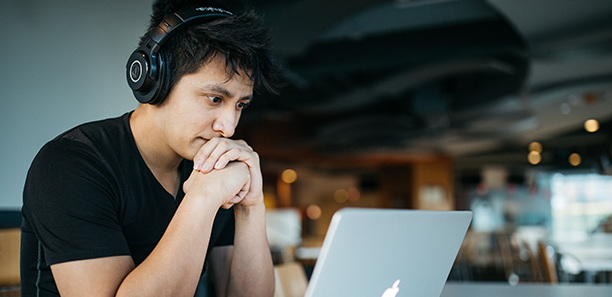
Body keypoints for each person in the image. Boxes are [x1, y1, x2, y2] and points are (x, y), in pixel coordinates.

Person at [20, 0, 281, 296]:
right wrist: (203, 196)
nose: (229, 127)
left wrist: (251, 206)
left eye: (240, 105)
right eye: (215, 99)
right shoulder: (70, 164)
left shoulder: (213, 166)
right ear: (156, 79)